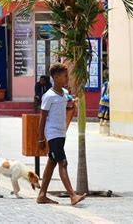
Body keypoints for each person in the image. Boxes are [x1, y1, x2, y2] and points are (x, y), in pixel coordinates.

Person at [37, 63, 86, 206]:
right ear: (56, 77)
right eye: (65, 76)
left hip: (61, 132)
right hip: (53, 134)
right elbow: (42, 118)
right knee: (62, 162)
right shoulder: (48, 96)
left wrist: (72, 105)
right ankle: (72, 195)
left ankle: (42, 195)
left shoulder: (64, 93)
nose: (67, 78)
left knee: (51, 163)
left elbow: (65, 110)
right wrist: (41, 138)